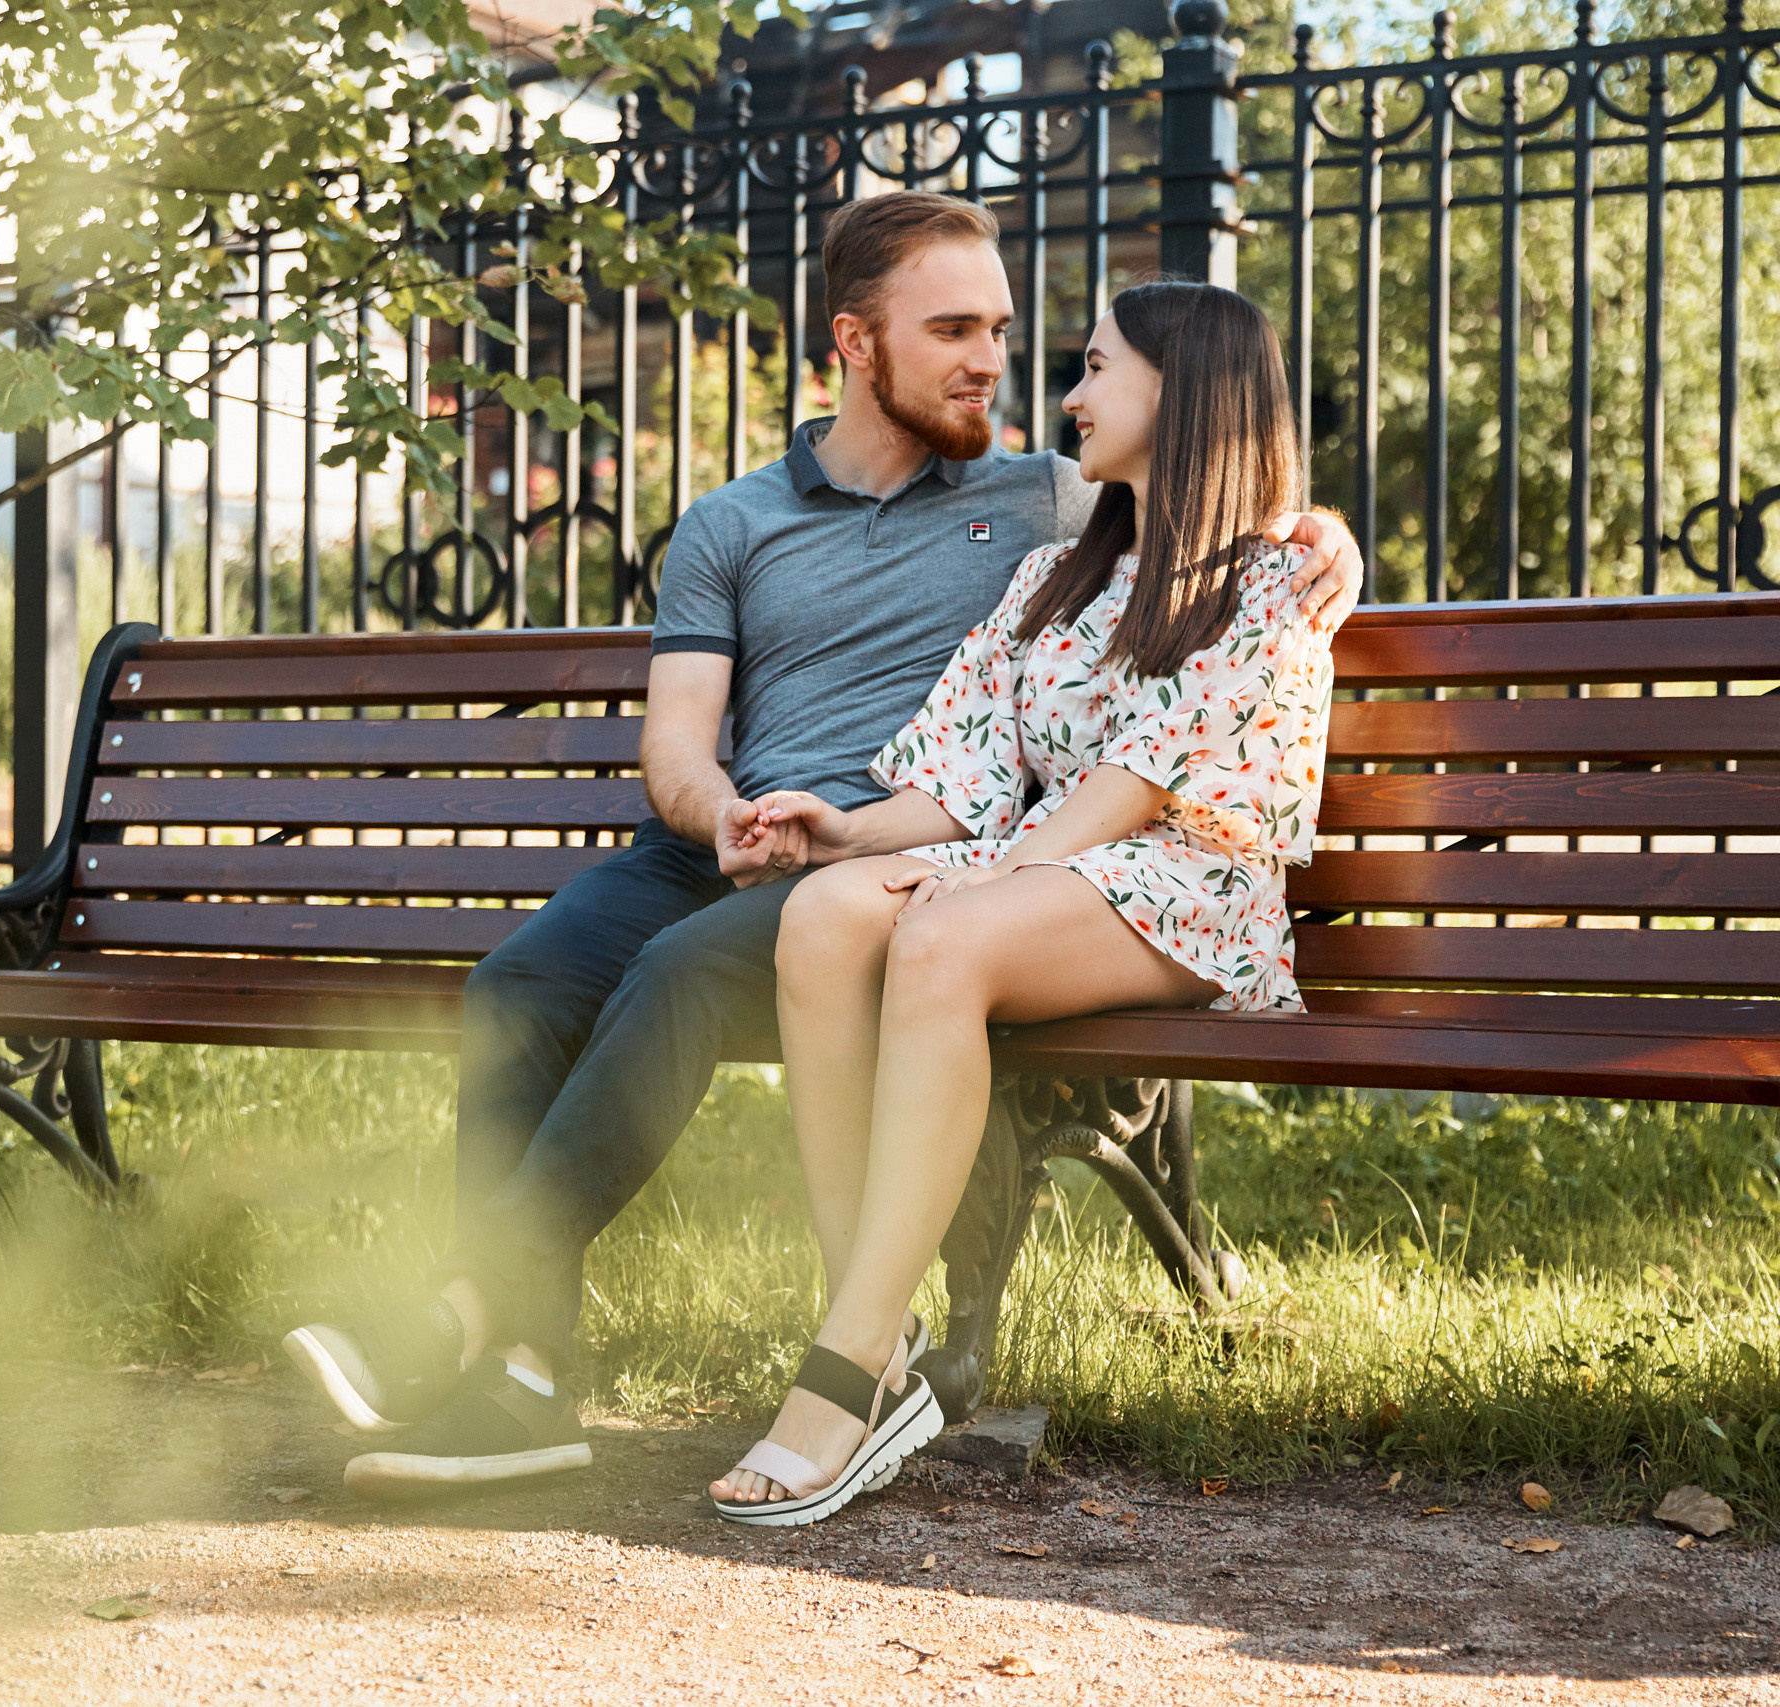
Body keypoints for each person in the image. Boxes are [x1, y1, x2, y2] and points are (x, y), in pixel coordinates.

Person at [282, 193, 1363, 1499]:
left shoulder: (1043, 499)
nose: (1001, 366)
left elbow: (1232, 503)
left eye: (1023, 340)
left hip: (1045, 872)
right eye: (956, 329)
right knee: (519, 980)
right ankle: (522, 1372)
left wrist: (1325, 536)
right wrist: (767, 817)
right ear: (857, 342)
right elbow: (705, 741)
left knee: (716, 962)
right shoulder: (751, 524)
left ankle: (534, 1320)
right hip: (768, 843)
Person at [705, 279, 1338, 1525]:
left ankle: (838, 1371)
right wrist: (839, 833)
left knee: (936, 936)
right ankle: (874, 1343)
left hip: (1186, 890)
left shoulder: (1277, 580)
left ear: (1186, 390)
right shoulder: (1056, 577)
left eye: (1097, 369)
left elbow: (1130, 784)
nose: (1068, 396)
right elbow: (960, 777)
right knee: (826, 916)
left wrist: (986, 873)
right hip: (1041, 870)